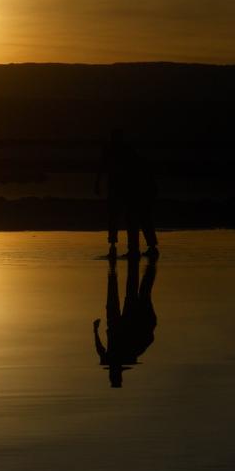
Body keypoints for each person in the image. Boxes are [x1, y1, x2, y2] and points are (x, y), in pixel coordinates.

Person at [93, 255, 157, 388]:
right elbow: (100, 349)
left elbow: (100, 349)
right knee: (129, 292)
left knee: (126, 292)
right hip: (124, 323)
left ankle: (116, 267)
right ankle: (137, 266)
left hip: (117, 324)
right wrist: (95, 331)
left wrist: (95, 331)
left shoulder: (122, 360)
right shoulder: (128, 359)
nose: (113, 373)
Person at [95, 130, 159, 259]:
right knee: (135, 218)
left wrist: (97, 184)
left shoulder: (113, 151)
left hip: (125, 189)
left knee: (126, 218)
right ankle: (140, 248)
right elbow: (102, 167)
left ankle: (126, 248)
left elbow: (102, 168)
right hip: (128, 189)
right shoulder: (125, 151)